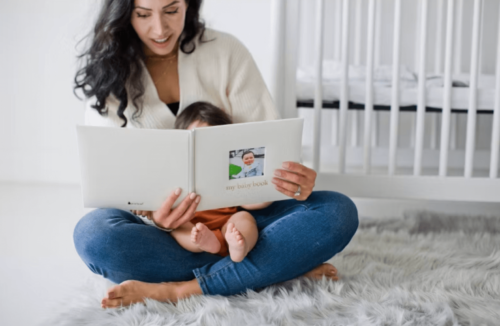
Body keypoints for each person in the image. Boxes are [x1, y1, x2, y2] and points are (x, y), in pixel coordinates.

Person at [73, 0, 358, 309]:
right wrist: (158, 219)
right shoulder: (110, 77)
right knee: (93, 235)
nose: (159, 28)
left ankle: (182, 290)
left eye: (171, 10)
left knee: (337, 211)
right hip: (174, 233)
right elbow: (114, 183)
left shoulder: (226, 52)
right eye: (143, 14)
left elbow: (267, 149)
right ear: (124, 14)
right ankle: (273, 268)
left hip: (241, 217)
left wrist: (291, 178)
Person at [133, 101, 269, 263]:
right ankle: (205, 244)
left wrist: (267, 192)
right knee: (180, 228)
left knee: (245, 218)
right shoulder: (174, 171)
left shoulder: (231, 168)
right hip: (188, 222)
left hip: (227, 223)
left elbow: (251, 200)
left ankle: (240, 248)